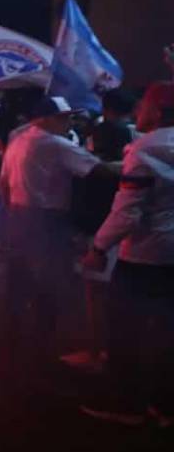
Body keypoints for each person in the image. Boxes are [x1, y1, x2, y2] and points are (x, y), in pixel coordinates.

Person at [0, 96, 119, 375]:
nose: (69, 122)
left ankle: (11, 348)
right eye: (64, 117)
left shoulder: (17, 140)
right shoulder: (54, 143)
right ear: (45, 119)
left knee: (18, 285)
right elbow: (99, 169)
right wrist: (134, 164)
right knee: (49, 288)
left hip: (18, 216)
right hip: (47, 221)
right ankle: (41, 356)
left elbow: (3, 184)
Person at [78, 82, 174, 425]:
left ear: (158, 111)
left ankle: (126, 403)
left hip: (145, 253)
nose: (138, 110)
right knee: (167, 330)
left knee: (125, 329)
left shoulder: (147, 148)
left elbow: (127, 211)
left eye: (144, 105)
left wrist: (99, 246)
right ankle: (165, 404)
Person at [64, 90, 137, 372]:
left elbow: (97, 173)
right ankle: (108, 351)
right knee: (109, 292)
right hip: (121, 225)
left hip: (102, 223)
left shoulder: (109, 134)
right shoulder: (137, 138)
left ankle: (98, 353)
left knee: (95, 291)